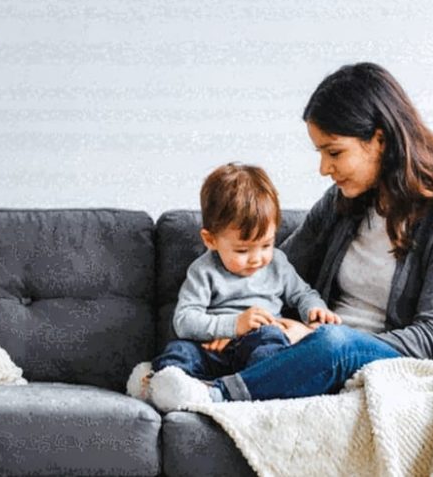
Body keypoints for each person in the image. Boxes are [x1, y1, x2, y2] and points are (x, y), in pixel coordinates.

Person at [148, 62, 433, 411]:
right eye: (320, 153)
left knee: (334, 342)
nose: (323, 169)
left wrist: (315, 340)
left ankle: (215, 397)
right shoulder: (342, 201)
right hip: (314, 347)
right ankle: (175, 381)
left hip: (372, 353)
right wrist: (236, 324)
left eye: (334, 152)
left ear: (378, 140)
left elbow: (429, 337)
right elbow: (274, 274)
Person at [133, 163, 342, 405]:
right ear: (211, 240)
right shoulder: (204, 270)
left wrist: (314, 309)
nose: (256, 258)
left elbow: (303, 294)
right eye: (242, 250)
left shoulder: (278, 263)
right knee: (178, 353)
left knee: (271, 343)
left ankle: (245, 389)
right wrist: (234, 325)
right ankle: (165, 387)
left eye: (266, 245)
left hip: (257, 344)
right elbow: (184, 321)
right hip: (213, 350)